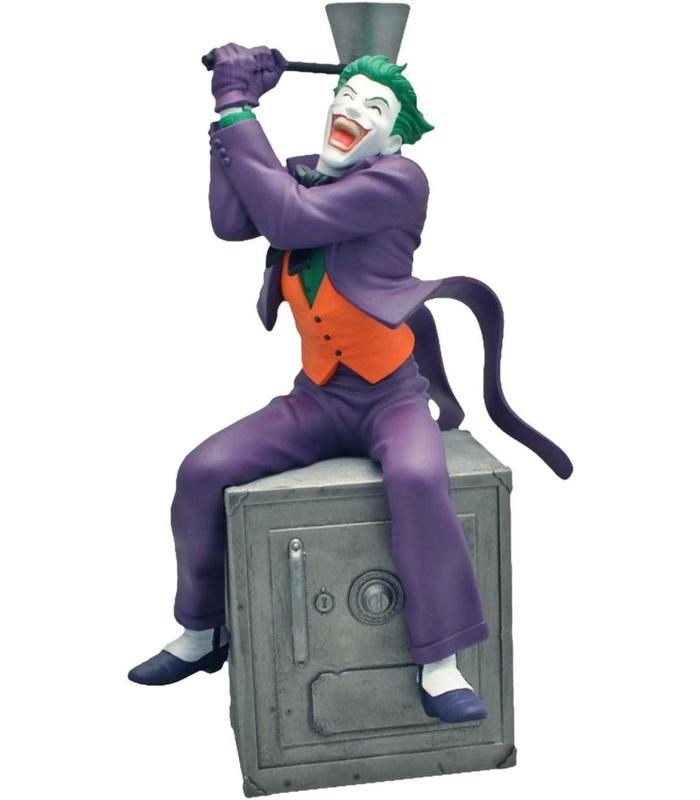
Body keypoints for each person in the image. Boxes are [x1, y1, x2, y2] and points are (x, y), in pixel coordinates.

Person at [128, 45, 572, 724]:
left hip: (389, 395)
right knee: (201, 471)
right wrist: (229, 114)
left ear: (392, 137)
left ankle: (441, 660)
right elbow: (233, 220)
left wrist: (239, 110)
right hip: (317, 395)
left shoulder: (399, 181)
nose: (352, 109)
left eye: (375, 106)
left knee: (418, 479)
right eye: (345, 96)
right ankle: (203, 628)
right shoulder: (300, 176)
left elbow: (286, 220)